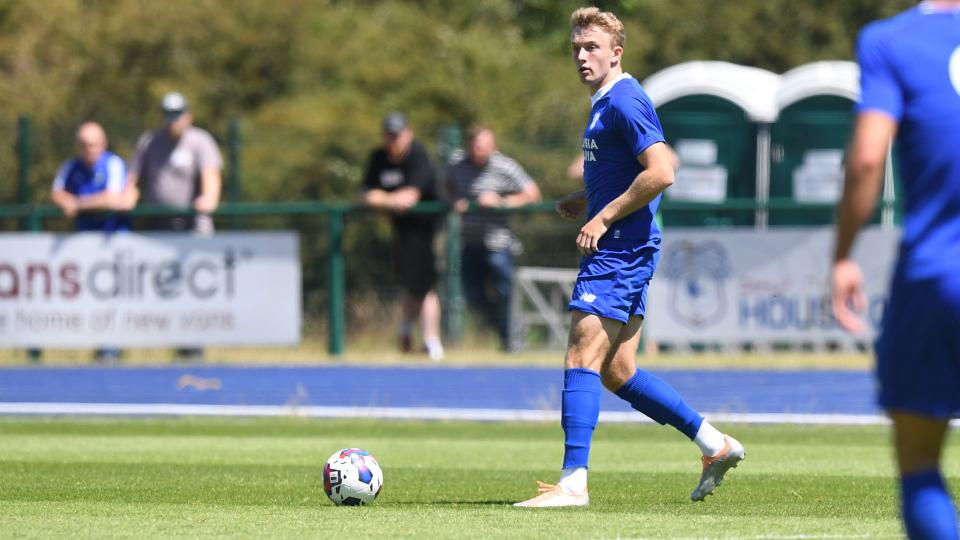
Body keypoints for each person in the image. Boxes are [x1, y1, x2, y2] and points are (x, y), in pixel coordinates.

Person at [515, 7, 743, 508]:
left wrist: (602, 218)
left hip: (619, 248)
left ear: (616, 53)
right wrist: (585, 198)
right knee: (617, 371)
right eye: (575, 47)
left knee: (580, 355)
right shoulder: (604, 103)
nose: (581, 55)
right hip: (629, 245)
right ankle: (714, 443)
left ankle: (573, 482)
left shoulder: (624, 99)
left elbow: (661, 171)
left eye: (591, 47)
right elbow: (626, 172)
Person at [832, 2, 960, 537]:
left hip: (940, 276)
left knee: (919, 460)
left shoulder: (891, 41)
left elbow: (867, 159)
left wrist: (842, 254)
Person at [128, 91, 224, 361]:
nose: (173, 121)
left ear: (188, 115)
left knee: (192, 284)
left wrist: (208, 198)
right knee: (158, 284)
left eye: (178, 115)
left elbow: (211, 179)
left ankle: (192, 342)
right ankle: (158, 336)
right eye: (168, 115)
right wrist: (127, 196)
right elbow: (133, 180)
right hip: (159, 224)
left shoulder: (200, 141)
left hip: (191, 225)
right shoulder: (150, 142)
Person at [446, 125, 542, 350]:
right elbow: (446, 185)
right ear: (469, 145)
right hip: (470, 241)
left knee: (504, 292)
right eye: (476, 146)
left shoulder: (505, 166)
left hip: (498, 243)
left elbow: (533, 194)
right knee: (472, 295)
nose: (480, 150)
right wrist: (455, 199)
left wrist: (501, 202)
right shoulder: (456, 164)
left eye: (485, 146)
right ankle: (503, 331)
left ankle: (512, 338)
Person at [361, 112, 444, 361]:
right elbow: (365, 194)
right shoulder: (378, 157)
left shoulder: (418, 155)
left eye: (398, 134)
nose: (393, 139)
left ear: (408, 134)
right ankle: (407, 332)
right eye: (389, 134)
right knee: (410, 285)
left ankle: (432, 342)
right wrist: (388, 200)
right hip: (402, 231)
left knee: (426, 286)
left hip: (428, 230)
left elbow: (409, 197)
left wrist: (382, 199)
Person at [51, 121, 137, 362]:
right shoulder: (71, 167)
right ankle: (101, 343)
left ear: (103, 143)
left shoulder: (112, 163)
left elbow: (112, 198)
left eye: (94, 144)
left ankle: (112, 345)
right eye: (85, 145)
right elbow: (56, 192)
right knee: (91, 292)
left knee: (114, 291)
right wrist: (70, 202)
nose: (90, 149)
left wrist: (77, 204)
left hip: (113, 242)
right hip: (85, 242)